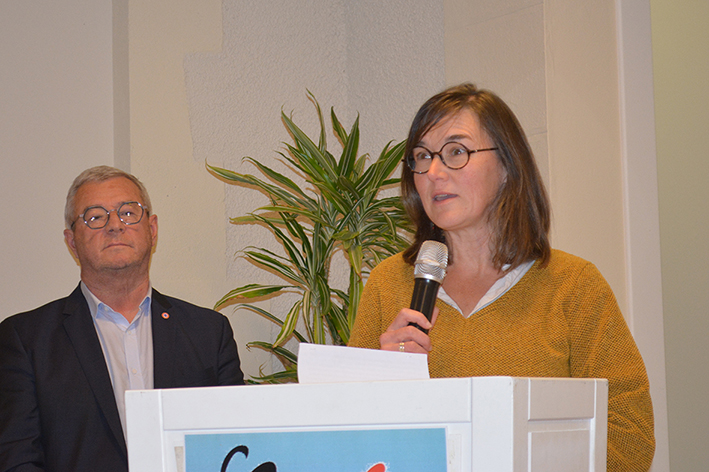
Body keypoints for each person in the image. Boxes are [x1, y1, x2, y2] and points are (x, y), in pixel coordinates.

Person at [348, 84, 655, 471]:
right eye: (422, 157)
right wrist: (382, 382)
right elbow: (347, 435)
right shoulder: (389, 283)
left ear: (508, 166)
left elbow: (630, 435)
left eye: (456, 152)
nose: (434, 173)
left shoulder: (573, 285)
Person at [0, 166, 245, 472]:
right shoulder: (26, 340)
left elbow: (237, 446)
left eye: (128, 212)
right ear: (72, 241)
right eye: (95, 217)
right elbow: (17, 460)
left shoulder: (208, 332)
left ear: (152, 230)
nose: (115, 225)